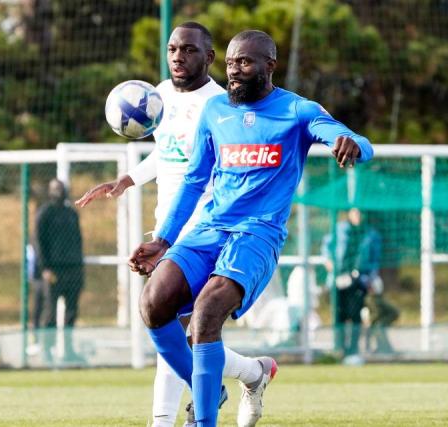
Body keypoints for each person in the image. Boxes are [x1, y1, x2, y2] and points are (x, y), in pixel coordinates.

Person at [130, 30, 373, 427]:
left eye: (244, 62)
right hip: (209, 228)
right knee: (153, 304)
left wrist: (350, 143)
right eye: (229, 64)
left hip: (256, 235)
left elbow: (351, 138)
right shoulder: (216, 112)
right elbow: (194, 180)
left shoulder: (297, 110)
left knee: (208, 311)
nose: (234, 71)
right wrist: (163, 240)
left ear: (269, 66)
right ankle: (211, 384)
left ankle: (202, 420)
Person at [77, 22, 273, 427]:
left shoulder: (221, 103)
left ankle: (164, 420)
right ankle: (250, 374)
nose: (178, 57)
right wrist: (127, 180)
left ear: (209, 57)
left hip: (205, 229)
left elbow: (211, 170)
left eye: (188, 49)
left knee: (177, 324)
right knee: (174, 329)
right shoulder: (158, 96)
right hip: (166, 227)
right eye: (172, 49)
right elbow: (167, 155)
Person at [35, 178, 85, 365]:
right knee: (50, 313)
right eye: (56, 189)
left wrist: (80, 267)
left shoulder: (71, 213)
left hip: (73, 270)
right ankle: (47, 351)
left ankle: (69, 351)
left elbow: (78, 240)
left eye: (61, 189)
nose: (59, 192)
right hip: (54, 270)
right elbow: (38, 241)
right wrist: (45, 268)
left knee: (71, 313)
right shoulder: (45, 213)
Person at [321, 208, 381, 360]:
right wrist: (328, 260)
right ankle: (339, 348)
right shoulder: (339, 229)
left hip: (358, 280)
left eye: (361, 213)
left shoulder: (370, 234)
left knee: (355, 315)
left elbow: (375, 260)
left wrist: (371, 278)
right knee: (339, 314)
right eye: (355, 213)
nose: (358, 216)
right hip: (339, 279)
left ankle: (352, 350)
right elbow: (326, 247)